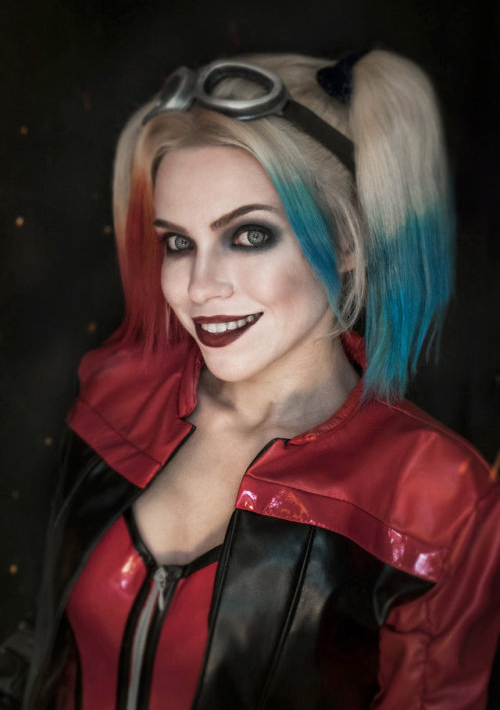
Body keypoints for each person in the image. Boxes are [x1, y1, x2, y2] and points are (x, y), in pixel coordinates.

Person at [19, 50, 500, 708]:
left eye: (248, 236)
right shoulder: (117, 393)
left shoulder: (438, 496)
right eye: (178, 242)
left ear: (349, 239)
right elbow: (44, 650)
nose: (199, 287)